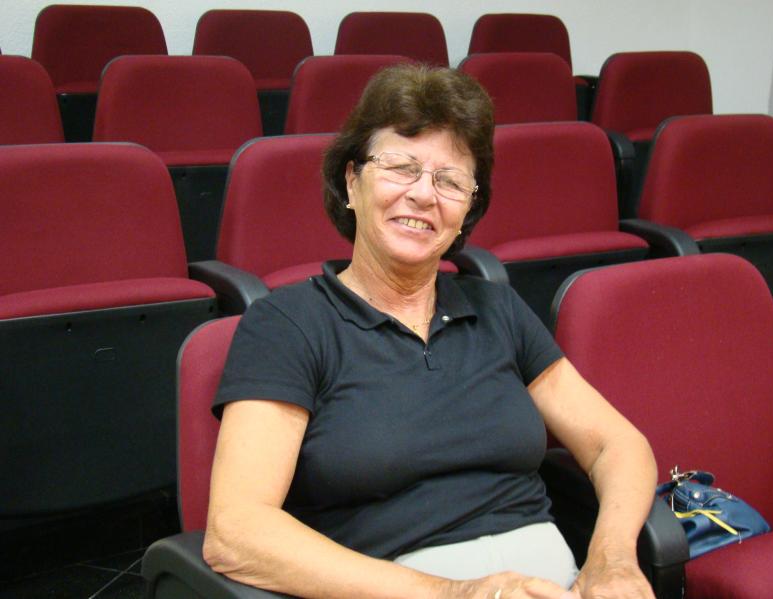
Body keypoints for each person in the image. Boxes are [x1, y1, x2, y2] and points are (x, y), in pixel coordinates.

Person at [203, 64, 657, 599]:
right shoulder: (289, 324)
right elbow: (236, 532)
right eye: (401, 168)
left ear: (468, 209)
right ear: (351, 181)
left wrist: (611, 560)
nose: (424, 195)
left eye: (450, 181)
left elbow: (615, 445)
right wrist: (455, 593)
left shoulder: (498, 309)